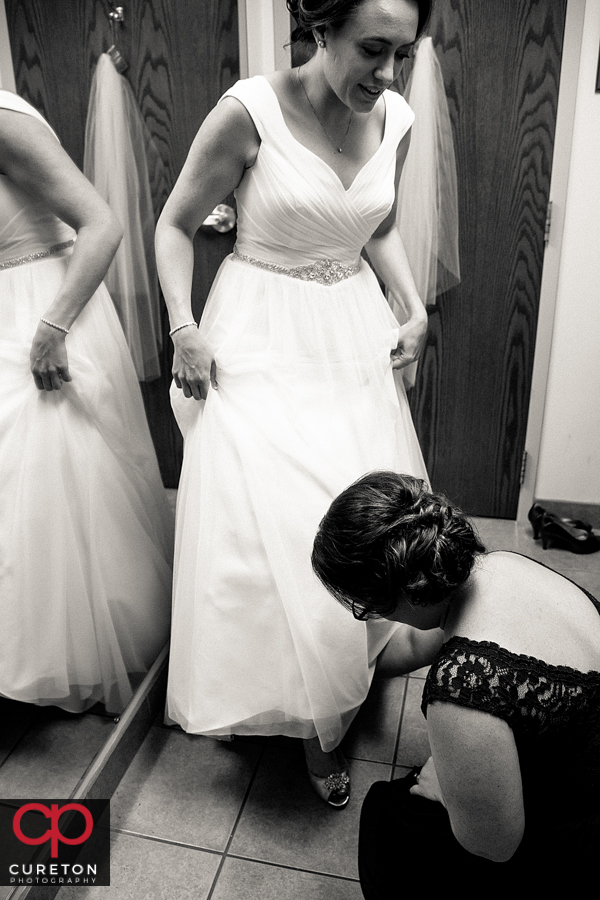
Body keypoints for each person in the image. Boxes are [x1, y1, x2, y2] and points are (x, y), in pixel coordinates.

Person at [155, 0, 432, 807]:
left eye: (402, 55)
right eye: (371, 50)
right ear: (321, 30)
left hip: (351, 337)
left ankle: (333, 699)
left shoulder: (397, 117)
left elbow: (372, 223)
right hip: (258, 338)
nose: (386, 75)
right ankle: (297, 711)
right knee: (274, 532)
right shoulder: (249, 112)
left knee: (358, 532)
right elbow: (174, 224)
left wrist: (413, 305)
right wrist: (183, 326)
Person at [311, 471, 600, 892]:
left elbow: (494, 846)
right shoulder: (500, 565)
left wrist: (445, 789)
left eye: (367, 608)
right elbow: (418, 641)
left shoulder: (461, 689)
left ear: (403, 595)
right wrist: (337, 675)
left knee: (390, 824)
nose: (373, 617)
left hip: (582, 834)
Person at [0, 90, 174, 714]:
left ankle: (67, 655)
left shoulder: (4, 118)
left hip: (43, 312)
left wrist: (53, 328)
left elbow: (102, 223)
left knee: (47, 491)